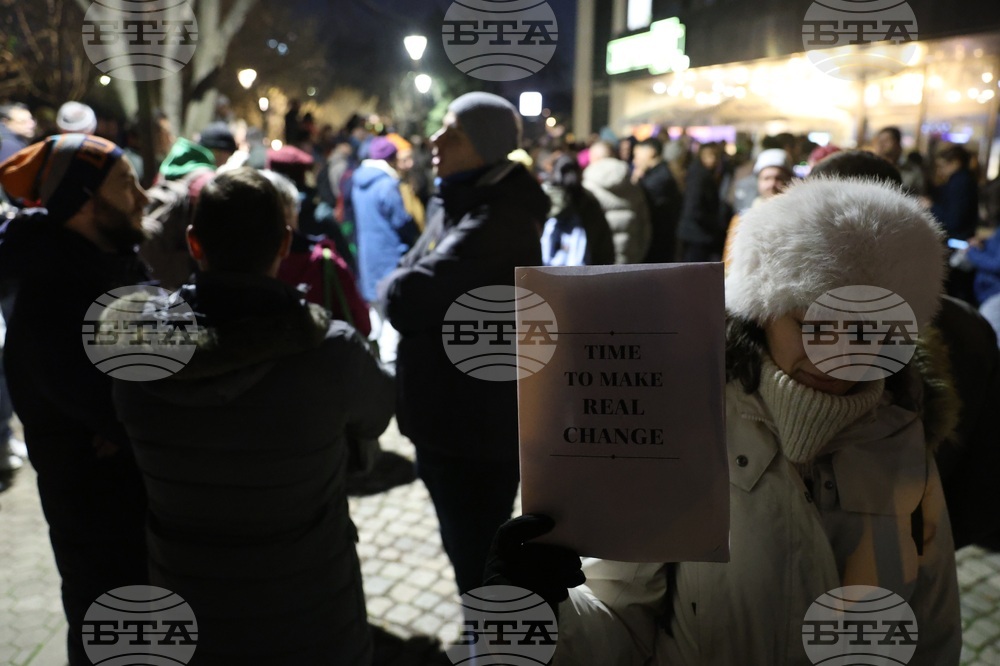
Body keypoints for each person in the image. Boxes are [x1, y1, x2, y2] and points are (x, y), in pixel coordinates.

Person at [488, 177, 961, 665]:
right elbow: (620, 619)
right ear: (764, 310)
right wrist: (541, 613)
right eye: (811, 325)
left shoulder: (908, 434)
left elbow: (932, 625)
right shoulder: (687, 424)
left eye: (865, 330)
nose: (836, 356)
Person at [112, 167, 394, 663]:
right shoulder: (332, 354)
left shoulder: (135, 360)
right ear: (285, 244)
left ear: (194, 243)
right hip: (312, 608)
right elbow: (375, 417)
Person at [382, 92, 547, 595]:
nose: (435, 139)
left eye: (452, 131)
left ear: (483, 145)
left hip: (472, 431)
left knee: (476, 556)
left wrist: (397, 281)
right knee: (470, 549)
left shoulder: (497, 219)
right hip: (456, 422)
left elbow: (405, 296)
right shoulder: (462, 200)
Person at [0, 134, 150, 665]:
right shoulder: (51, 302)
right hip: (101, 528)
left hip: (139, 512)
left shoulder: (114, 261)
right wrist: (134, 423)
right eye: (127, 185)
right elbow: (135, 411)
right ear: (87, 203)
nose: (145, 197)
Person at [352, 135, 419, 366]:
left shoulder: (358, 182)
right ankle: (389, 369)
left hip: (368, 258)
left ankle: (373, 365)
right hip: (390, 257)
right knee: (393, 318)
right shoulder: (387, 184)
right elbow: (401, 221)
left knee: (376, 316)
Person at [722, 148, 794, 266]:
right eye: (766, 178)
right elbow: (729, 264)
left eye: (778, 178)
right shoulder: (741, 220)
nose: (772, 184)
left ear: (789, 180)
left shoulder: (800, 218)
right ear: (758, 181)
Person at [583, 141, 651, 264]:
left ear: (595, 158)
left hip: (599, 261)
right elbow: (645, 224)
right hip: (631, 258)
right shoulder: (632, 184)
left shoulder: (588, 186)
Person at [541, 153, 615, 266]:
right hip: (588, 274)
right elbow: (605, 246)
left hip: (548, 275)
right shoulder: (589, 200)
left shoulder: (546, 200)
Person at [677, 142, 733, 262]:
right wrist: (714, 223)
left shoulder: (702, 173)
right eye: (710, 156)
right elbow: (694, 207)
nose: (714, 160)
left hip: (696, 233)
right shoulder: (700, 176)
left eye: (716, 156)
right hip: (697, 234)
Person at [632, 137, 682, 263]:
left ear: (650, 152)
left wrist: (635, 181)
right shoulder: (658, 173)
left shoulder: (659, 178)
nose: (634, 160)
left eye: (637, 155)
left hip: (658, 243)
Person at [874, 126, 925, 196]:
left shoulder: (912, 170)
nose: (881, 144)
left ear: (897, 143)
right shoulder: (873, 166)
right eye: (879, 141)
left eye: (886, 140)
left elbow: (919, 194)